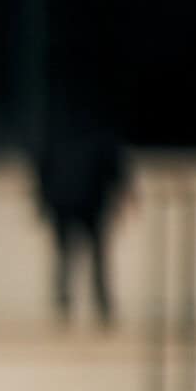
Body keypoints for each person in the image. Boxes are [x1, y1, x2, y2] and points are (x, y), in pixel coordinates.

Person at [33, 106, 132, 326]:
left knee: (74, 257)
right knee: (79, 258)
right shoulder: (92, 134)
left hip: (78, 203)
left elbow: (43, 167)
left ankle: (78, 303)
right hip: (81, 202)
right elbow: (44, 167)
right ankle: (84, 304)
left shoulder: (62, 134)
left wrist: (43, 200)